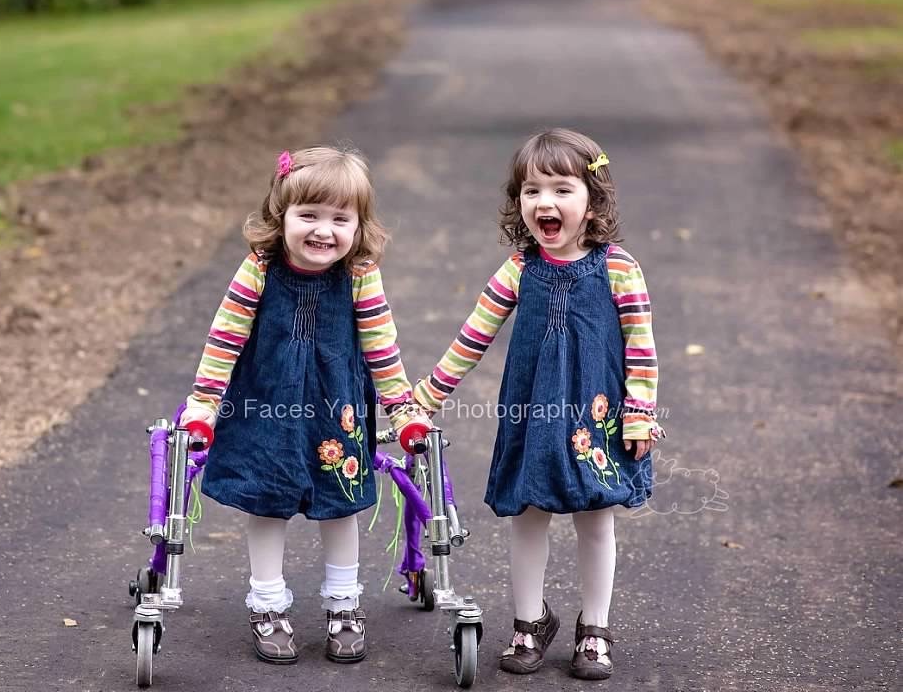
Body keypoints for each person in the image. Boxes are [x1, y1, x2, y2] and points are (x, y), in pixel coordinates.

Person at [412, 129, 665, 680]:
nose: (544, 203)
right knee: (527, 517)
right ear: (518, 202)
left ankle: (594, 628)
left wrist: (640, 411)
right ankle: (530, 621)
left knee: (595, 520)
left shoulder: (619, 267)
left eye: (561, 189)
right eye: (531, 191)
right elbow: (471, 337)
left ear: (592, 200)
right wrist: (425, 398)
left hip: (595, 418)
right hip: (531, 415)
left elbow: (641, 346)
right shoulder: (519, 269)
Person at [179, 145, 428, 665]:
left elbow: (382, 348)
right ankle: (267, 604)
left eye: (340, 218)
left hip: (336, 412)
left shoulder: (359, 274)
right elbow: (225, 338)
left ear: (359, 226)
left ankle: (343, 605)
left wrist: (402, 409)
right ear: (281, 215)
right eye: (308, 215)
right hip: (264, 407)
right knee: (268, 504)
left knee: (339, 505)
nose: (323, 231)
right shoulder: (259, 269)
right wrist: (204, 403)